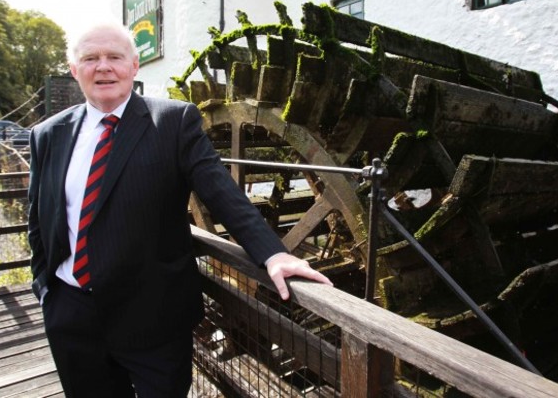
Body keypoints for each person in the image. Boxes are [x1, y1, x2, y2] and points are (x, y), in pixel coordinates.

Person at [27, 22, 333, 397]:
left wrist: (273, 253)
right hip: (72, 316)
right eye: (90, 58)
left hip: (152, 318)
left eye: (114, 57)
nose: (103, 67)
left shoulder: (173, 121)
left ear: (134, 66)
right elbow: (38, 218)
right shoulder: (48, 134)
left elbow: (222, 192)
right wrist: (47, 290)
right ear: (75, 70)